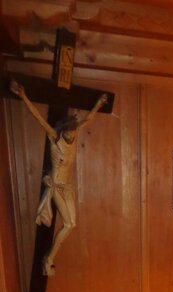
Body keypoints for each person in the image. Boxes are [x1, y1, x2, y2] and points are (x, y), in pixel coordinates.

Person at [10, 79, 108, 276]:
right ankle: (49, 259)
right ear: (63, 131)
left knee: (72, 224)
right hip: (55, 186)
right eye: (69, 133)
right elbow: (38, 118)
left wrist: (98, 104)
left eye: (73, 132)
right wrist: (23, 96)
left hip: (67, 186)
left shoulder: (75, 135)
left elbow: (88, 119)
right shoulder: (55, 137)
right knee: (69, 224)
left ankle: (49, 258)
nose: (72, 135)